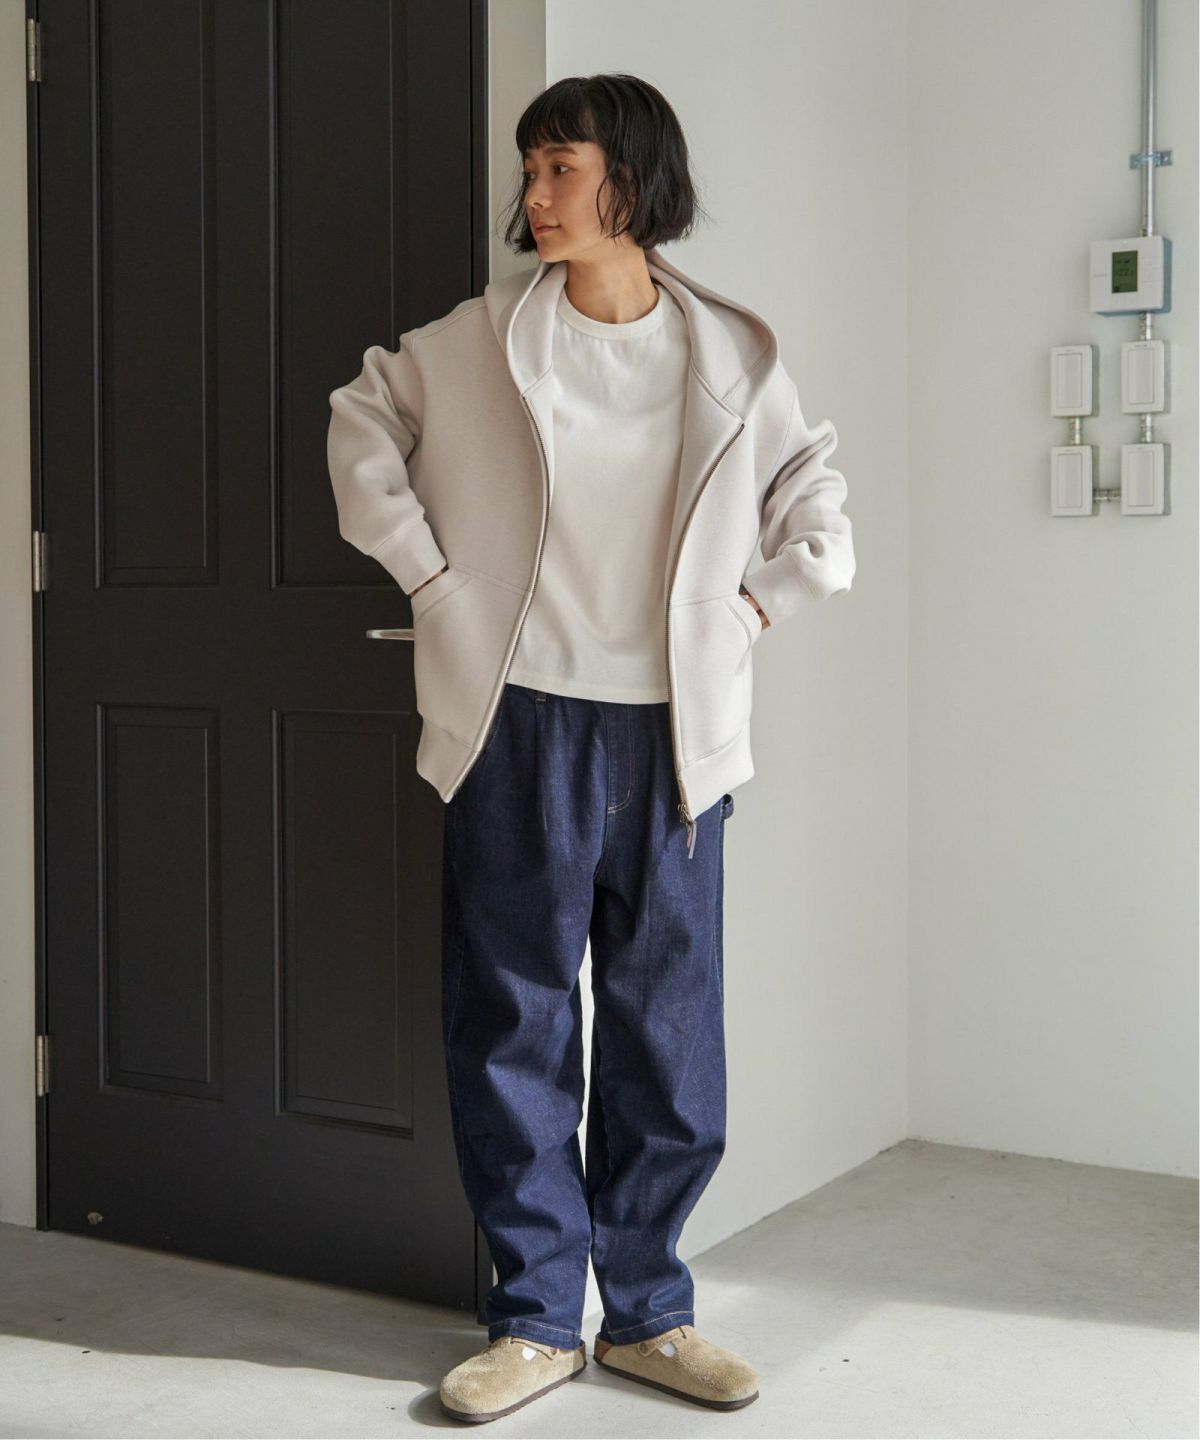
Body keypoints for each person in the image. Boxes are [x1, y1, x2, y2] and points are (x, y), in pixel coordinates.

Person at [327, 72, 855, 1425]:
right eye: (532, 168)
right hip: (520, 723)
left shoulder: (730, 353)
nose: (536, 195)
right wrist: (430, 578)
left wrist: (757, 605)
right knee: (513, 1022)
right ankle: (534, 1321)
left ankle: (651, 1315)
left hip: (679, 735)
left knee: (668, 1037)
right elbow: (360, 419)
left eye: (560, 166)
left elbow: (814, 494)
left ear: (634, 175)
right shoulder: (480, 339)